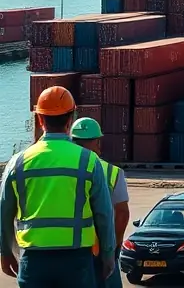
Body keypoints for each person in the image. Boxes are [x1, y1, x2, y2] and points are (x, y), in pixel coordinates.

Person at [0, 86, 116, 288]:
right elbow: (104, 214)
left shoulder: (17, 163)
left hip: (34, 262)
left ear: (39, 119)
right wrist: (108, 253)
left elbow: (4, 213)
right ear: (71, 119)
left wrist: (5, 253)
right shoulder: (88, 160)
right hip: (77, 261)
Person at [70, 117, 130, 288]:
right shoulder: (112, 171)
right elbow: (122, 214)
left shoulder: (64, 168)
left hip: (72, 248)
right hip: (102, 249)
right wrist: (115, 246)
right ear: (97, 142)